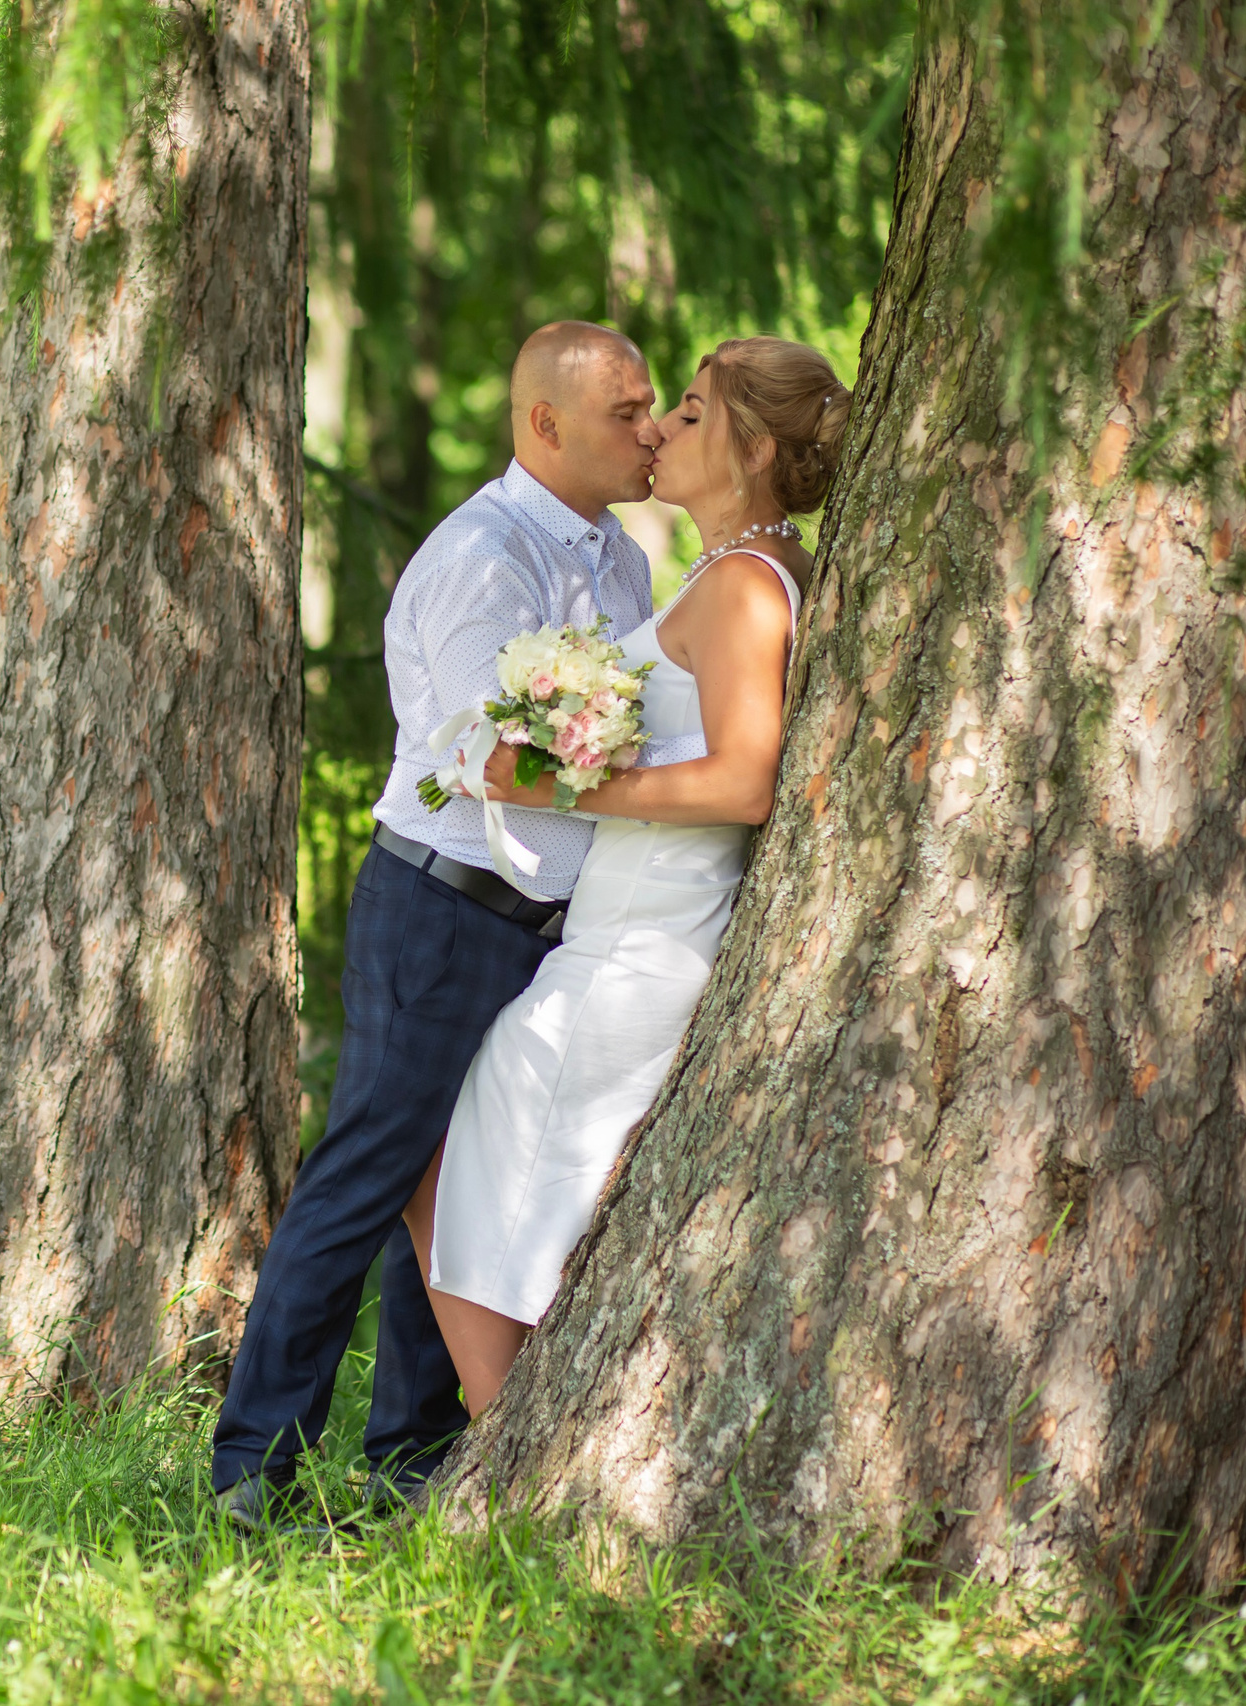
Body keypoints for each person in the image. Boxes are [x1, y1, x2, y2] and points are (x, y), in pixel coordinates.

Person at [210, 321, 662, 1529]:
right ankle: (252, 1463)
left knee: (470, 1190)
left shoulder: (623, 562)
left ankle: (409, 1458)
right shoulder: (480, 553)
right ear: (543, 424)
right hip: (442, 908)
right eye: (624, 409)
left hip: (549, 924)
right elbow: (484, 751)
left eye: (652, 403)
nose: (650, 427)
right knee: (367, 1174)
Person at [408, 335, 851, 1413]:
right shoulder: (734, 571)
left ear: (749, 448)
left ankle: (506, 1456)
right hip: (625, 927)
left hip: (642, 945)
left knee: (447, 1177)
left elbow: (745, 781)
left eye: (689, 413)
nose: (658, 428)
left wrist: (553, 787)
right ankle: (512, 1442)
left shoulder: (747, 584)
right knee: (490, 1185)